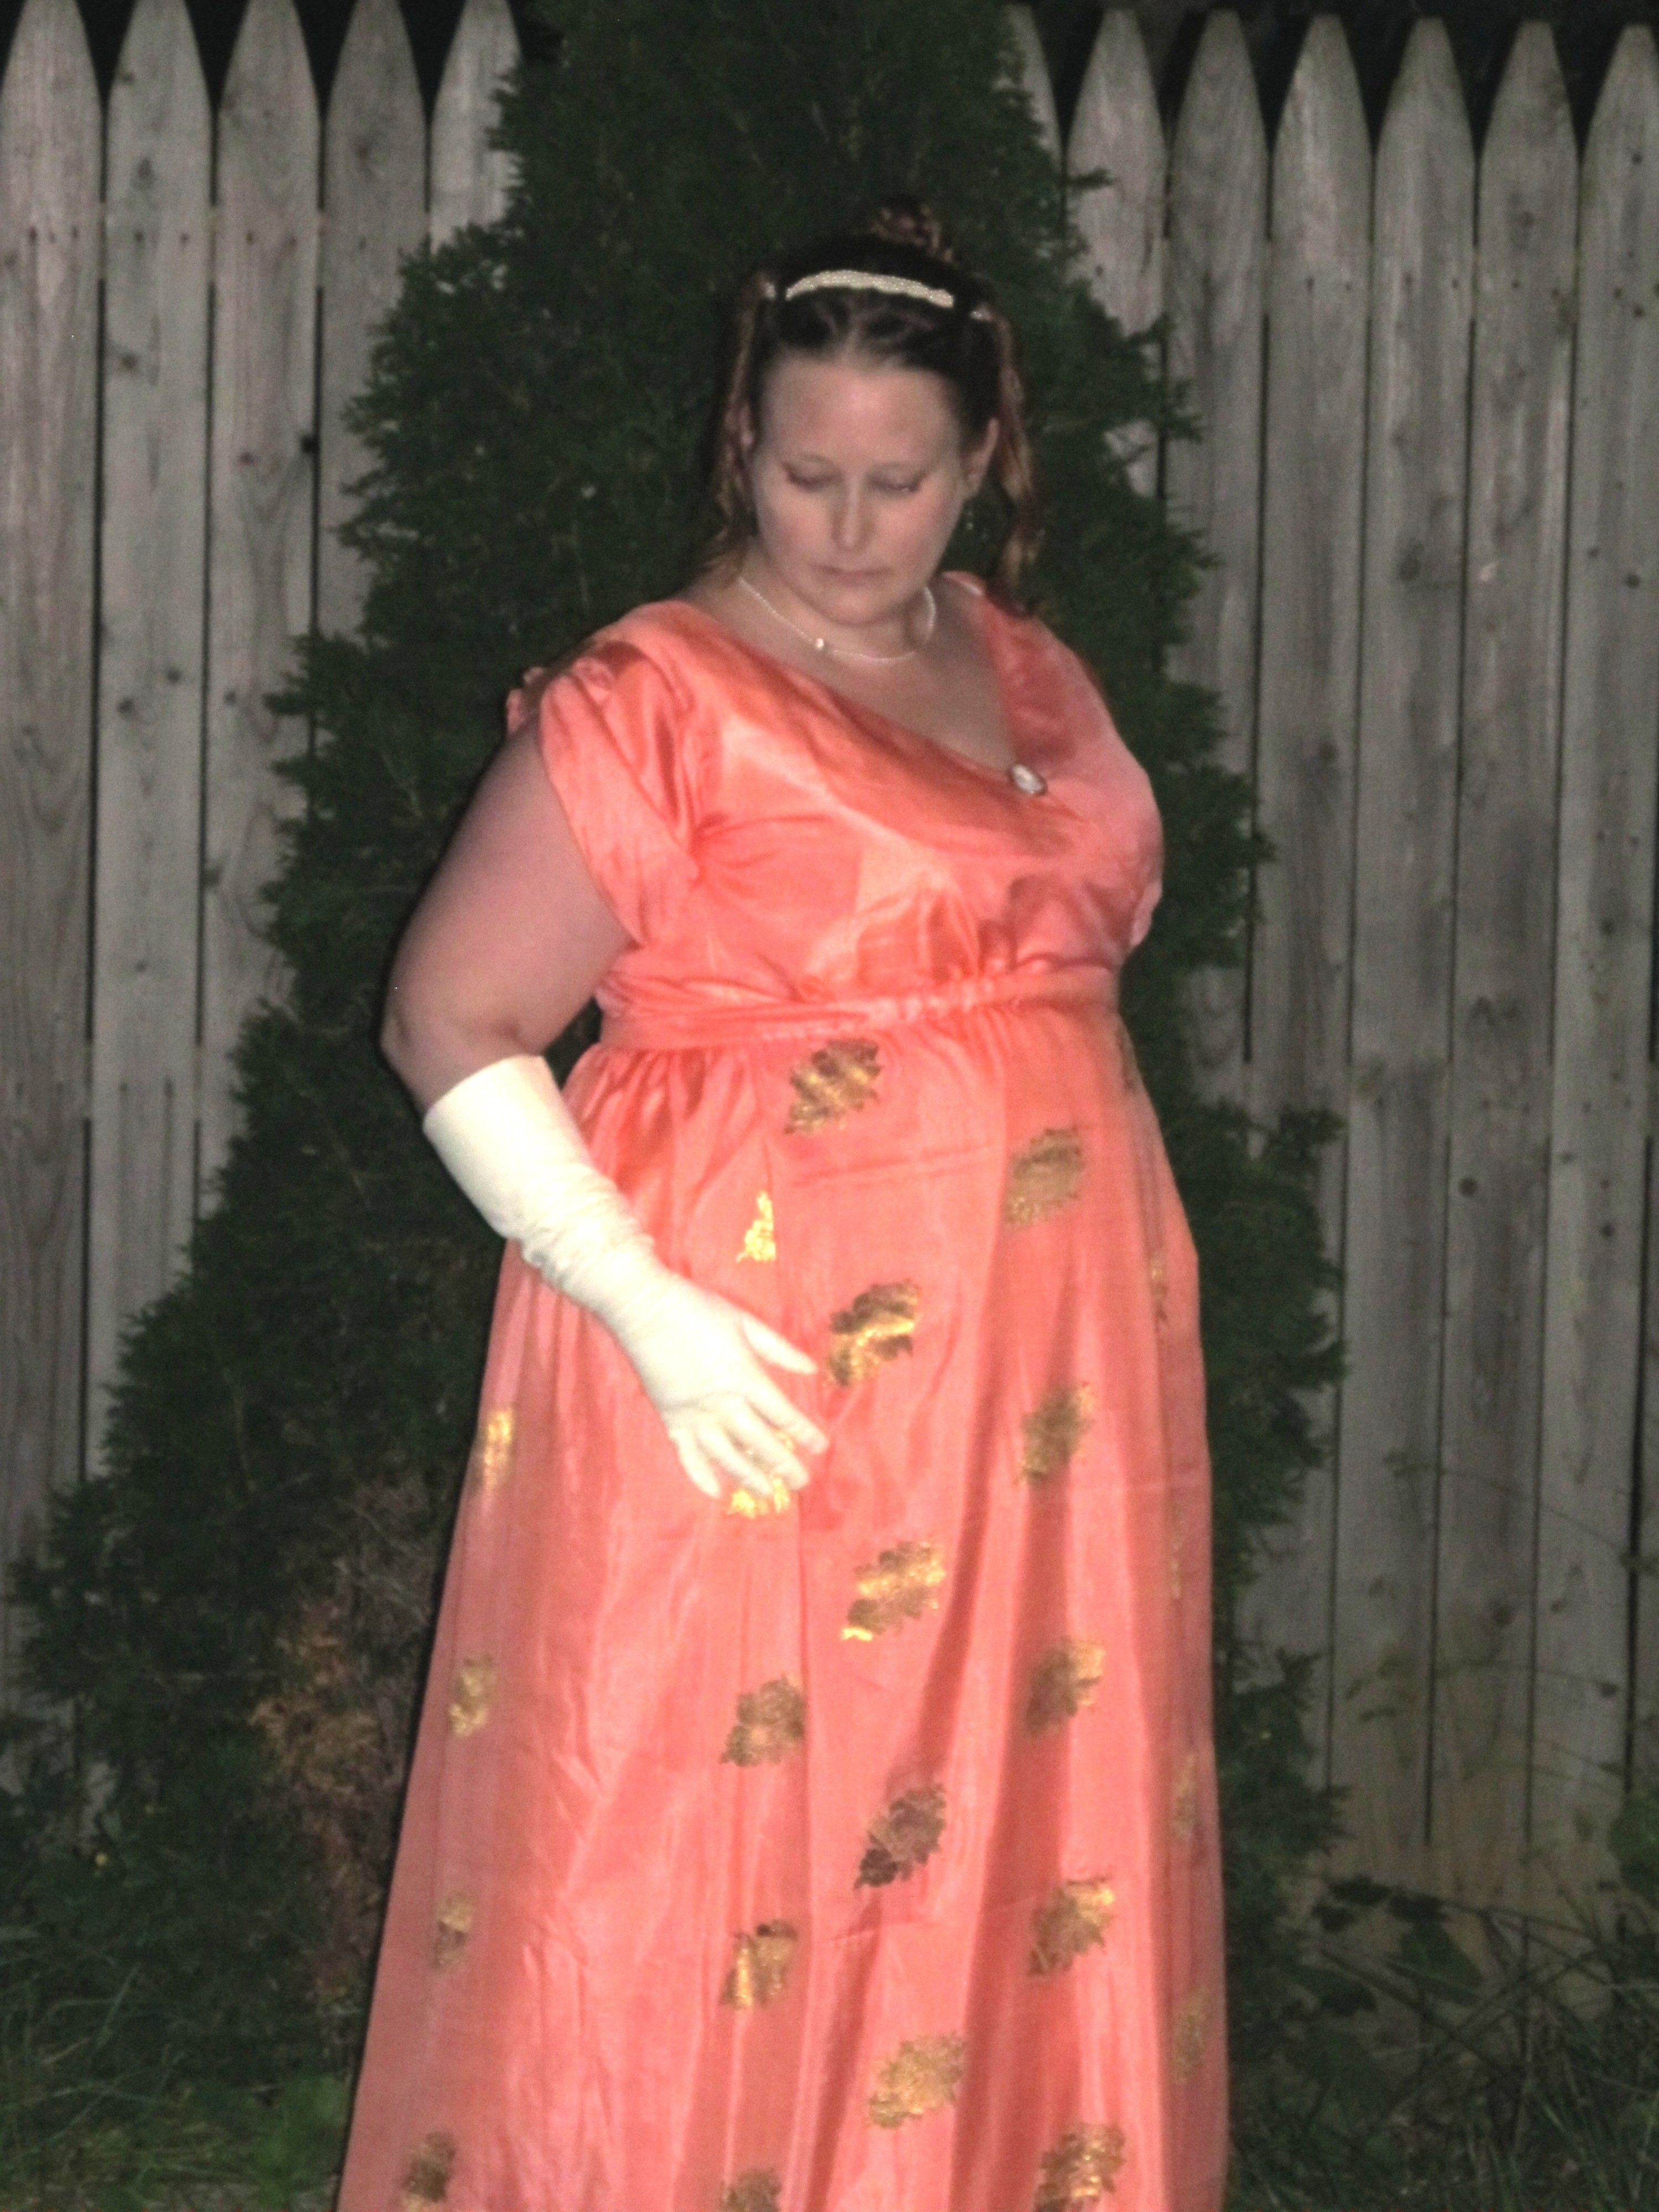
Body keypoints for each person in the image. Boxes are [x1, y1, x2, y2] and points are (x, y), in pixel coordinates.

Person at [337, 203, 1226, 2212]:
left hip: (1038, 1396)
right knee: (722, 1848)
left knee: (1009, 1835)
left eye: (899, 481)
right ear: (741, 442)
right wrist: (634, 1301)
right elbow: (447, 1017)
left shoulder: (1030, 671)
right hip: (752, 1366)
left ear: (983, 462)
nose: (847, 525)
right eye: (805, 473)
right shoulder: (660, 695)